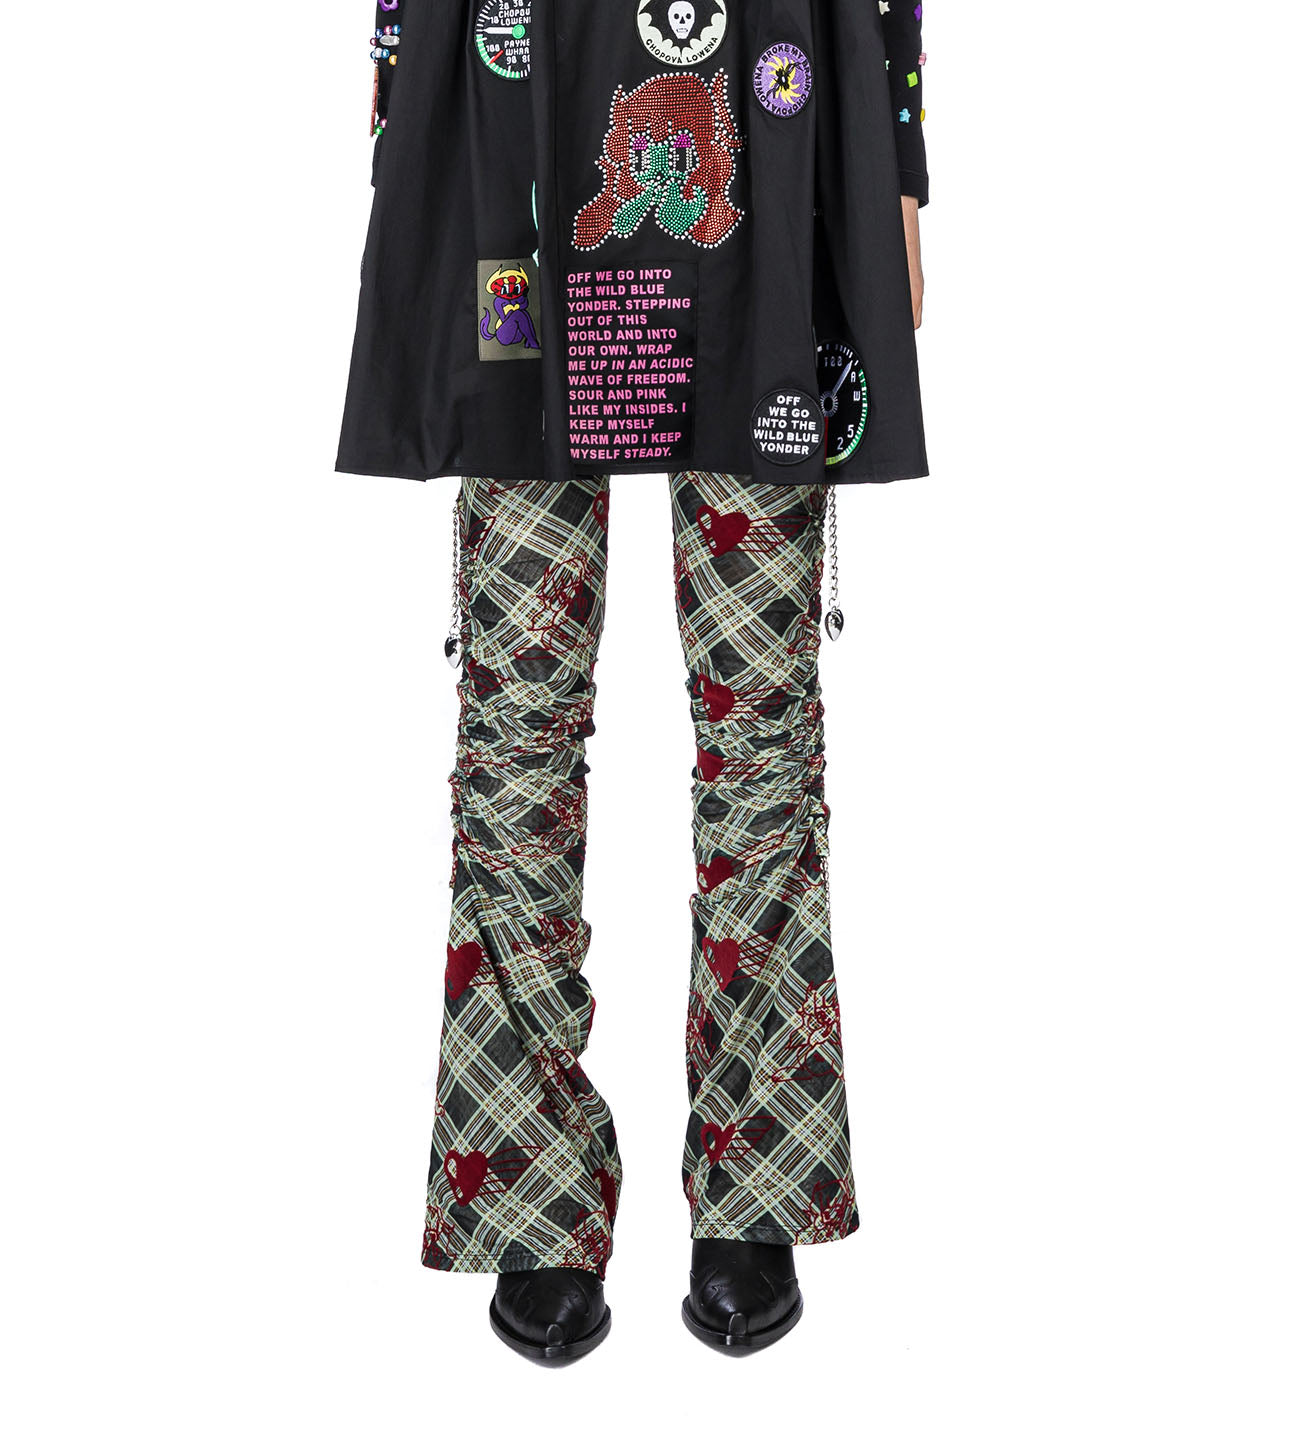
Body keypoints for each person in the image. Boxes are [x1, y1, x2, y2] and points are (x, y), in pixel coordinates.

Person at [336, 0, 929, 1363]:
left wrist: (896, 148)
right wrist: (398, 113)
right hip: (520, 91)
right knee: (517, 710)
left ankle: (761, 1166)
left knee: (761, 709)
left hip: (769, 99)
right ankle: (525, 1176)